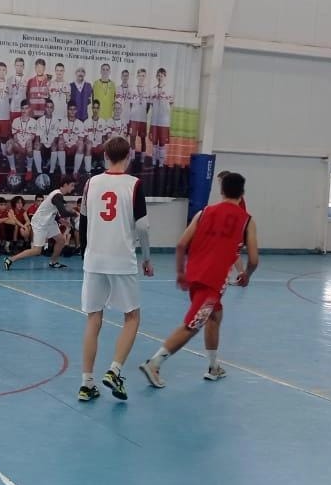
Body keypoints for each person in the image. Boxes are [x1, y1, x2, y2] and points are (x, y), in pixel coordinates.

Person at [141, 172, 258, 387]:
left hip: (194, 276)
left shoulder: (203, 213)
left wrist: (180, 272)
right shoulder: (247, 220)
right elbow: (253, 259)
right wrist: (246, 275)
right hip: (211, 283)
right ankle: (154, 363)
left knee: (215, 316)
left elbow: (181, 244)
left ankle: (213, 367)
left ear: (221, 191)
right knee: (192, 325)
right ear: (242, 193)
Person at [77, 136, 153, 401]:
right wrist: (146, 258)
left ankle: (86, 383)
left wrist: (86, 253)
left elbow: (83, 220)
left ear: (105, 156)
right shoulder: (134, 185)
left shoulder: (91, 183)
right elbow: (142, 227)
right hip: (122, 260)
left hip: (94, 260)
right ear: (128, 156)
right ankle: (114, 370)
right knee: (132, 317)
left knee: (93, 318)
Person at [4, 177, 77, 270]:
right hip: (40, 223)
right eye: (72, 185)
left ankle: (53, 262)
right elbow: (63, 212)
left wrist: (60, 220)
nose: (73, 188)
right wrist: (76, 214)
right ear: (65, 185)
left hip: (49, 222)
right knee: (37, 250)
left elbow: (51, 210)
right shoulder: (57, 195)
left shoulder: (58, 195)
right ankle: (10, 259)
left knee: (61, 240)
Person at [216, 170, 248, 284]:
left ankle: (240, 276)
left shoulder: (234, 198)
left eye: (220, 182)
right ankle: (236, 275)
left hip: (236, 229)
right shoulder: (231, 197)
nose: (219, 185)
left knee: (233, 253)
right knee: (231, 253)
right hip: (232, 228)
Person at [149, 68, 175, 170]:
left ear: (165, 76)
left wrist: (165, 113)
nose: (160, 77)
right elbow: (151, 104)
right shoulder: (153, 89)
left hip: (164, 122)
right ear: (156, 76)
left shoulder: (169, 90)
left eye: (162, 76)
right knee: (154, 142)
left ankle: (161, 162)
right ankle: (154, 160)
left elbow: (171, 104)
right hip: (154, 121)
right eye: (158, 75)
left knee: (162, 143)